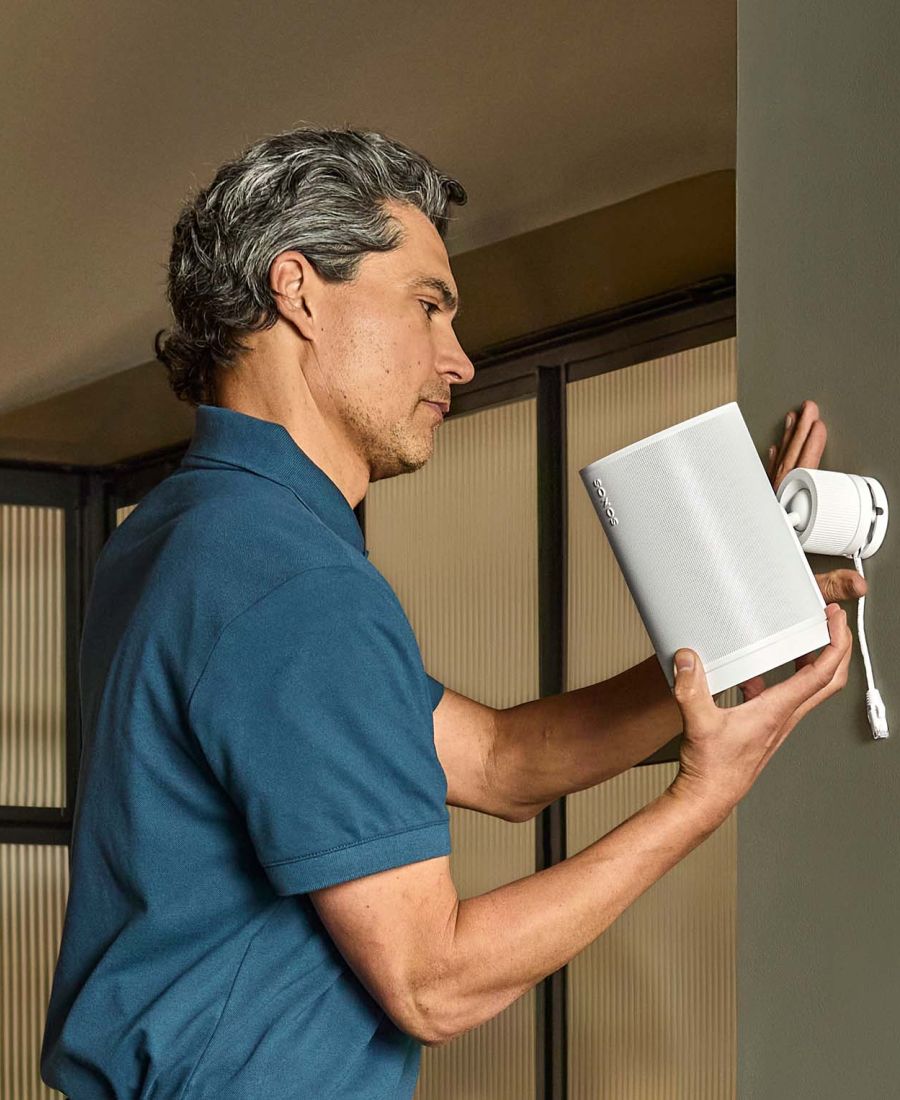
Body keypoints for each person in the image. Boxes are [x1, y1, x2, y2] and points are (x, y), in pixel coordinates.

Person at [41, 126, 865, 1099]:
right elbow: (432, 980)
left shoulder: (184, 534)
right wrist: (705, 794)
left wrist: (736, 616)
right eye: (428, 305)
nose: (460, 361)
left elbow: (502, 764)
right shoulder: (291, 582)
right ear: (297, 289)